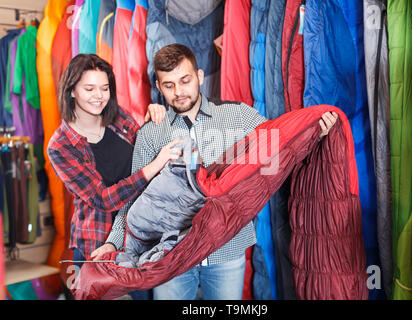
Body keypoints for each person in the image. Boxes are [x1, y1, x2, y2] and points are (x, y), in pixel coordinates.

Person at [98, 43, 338, 300]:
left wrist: (315, 132)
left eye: (185, 80)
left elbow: (280, 147)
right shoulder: (151, 133)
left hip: (227, 249)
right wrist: (113, 242)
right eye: (169, 85)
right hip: (169, 256)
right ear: (159, 87)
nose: (179, 91)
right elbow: (135, 198)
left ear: (199, 77)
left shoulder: (239, 117)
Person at [47, 54, 183, 293]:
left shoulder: (116, 116)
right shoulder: (60, 146)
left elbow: (144, 147)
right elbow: (103, 198)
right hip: (98, 243)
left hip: (139, 233)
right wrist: (152, 168)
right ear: (71, 91)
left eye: (104, 88)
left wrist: (153, 118)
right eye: (89, 88)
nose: (99, 96)